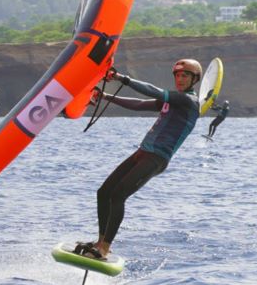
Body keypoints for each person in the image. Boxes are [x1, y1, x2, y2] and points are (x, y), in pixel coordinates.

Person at [76, 59, 201, 260]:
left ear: (194, 79)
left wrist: (122, 79)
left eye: (185, 75)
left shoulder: (188, 101)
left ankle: (104, 249)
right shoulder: (174, 100)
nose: (180, 79)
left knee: (118, 195)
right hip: (143, 152)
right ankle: (100, 242)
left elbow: (154, 92)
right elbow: (139, 104)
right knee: (104, 192)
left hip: (157, 158)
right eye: (177, 75)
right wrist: (106, 96)